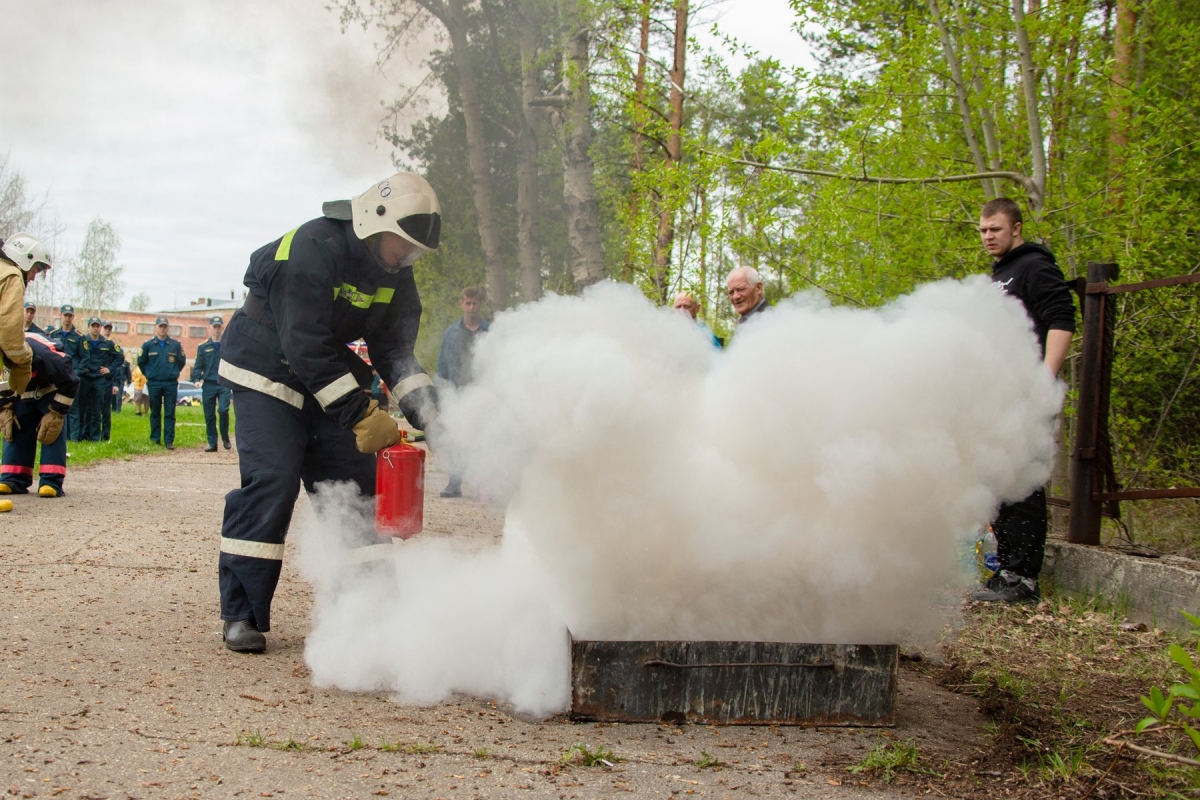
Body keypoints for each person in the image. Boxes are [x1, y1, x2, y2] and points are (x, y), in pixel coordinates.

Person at [215, 172, 441, 653]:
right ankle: (242, 613)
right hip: (265, 366)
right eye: (403, 245)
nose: (407, 257)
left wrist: (433, 416)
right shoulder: (311, 246)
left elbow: (395, 349)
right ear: (373, 221)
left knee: (355, 482)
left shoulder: (395, 273)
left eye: (414, 251)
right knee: (273, 479)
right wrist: (360, 412)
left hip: (321, 369)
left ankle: (368, 606)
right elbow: (302, 341)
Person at [971, 197, 1076, 605]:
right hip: (997, 393)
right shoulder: (1001, 273)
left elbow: (1062, 319)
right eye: (982, 231)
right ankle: (1006, 571)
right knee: (999, 477)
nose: (988, 237)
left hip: (1026, 389)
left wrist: (1043, 378)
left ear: (1016, 228)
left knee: (1023, 480)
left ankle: (1024, 580)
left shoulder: (1035, 266)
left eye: (995, 229)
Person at [0, 332, 78, 498]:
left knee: (51, 430)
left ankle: (51, 481)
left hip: (51, 389)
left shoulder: (50, 358)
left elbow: (71, 382)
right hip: (20, 390)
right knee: (15, 427)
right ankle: (13, 478)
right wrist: (4, 407)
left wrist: (56, 411)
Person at [435, 286, 488, 498]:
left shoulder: (490, 332)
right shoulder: (450, 333)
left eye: (475, 303)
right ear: (462, 303)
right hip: (455, 394)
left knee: (483, 440)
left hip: (482, 395)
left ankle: (483, 485)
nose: (472, 307)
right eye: (468, 303)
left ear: (481, 304)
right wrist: (440, 396)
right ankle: (454, 482)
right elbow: (441, 368)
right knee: (455, 438)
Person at [1, 233, 52, 405]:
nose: (33, 277)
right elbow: (10, 335)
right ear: (25, 260)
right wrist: (25, 360)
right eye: (35, 270)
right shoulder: (12, 277)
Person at [136, 316, 186, 450]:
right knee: (155, 411)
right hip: (154, 383)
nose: (162, 329)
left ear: (168, 328)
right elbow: (141, 362)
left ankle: (169, 440)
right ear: (155, 327)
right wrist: (150, 374)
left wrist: (173, 371)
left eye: (165, 326)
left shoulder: (175, 345)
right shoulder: (148, 345)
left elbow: (181, 362)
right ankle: (155, 438)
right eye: (160, 326)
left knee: (170, 412)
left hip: (170, 383)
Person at [191, 315, 233, 452]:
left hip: (223, 383)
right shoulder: (203, 347)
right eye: (214, 326)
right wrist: (196, 379)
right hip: (208, 384)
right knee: (209, 415)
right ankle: (212, 442)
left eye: (218, 326)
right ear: (210, 328)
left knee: (223, 410)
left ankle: (225, 436)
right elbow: (198, 366)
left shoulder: (227, 345)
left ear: (222, 327)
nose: (216, 329)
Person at [77, 317, 119, 441]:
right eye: (93, 325)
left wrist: (109, 369)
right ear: (89, 326)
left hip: (99, 379)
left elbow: (119, 357)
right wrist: (81, 367)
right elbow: (76, 355)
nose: (95, 328)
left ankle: (95, 437)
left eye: (97, 326)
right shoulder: (82, 340)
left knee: (97, 409)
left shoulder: (107, 343)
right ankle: (80, 435)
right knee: (82, 408)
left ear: (100, 327)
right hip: (85, 378)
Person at [48, 304, 84, 441]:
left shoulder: (79, 337)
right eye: (65, 315)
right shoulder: (53, 335)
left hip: (72, 377)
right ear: (61, 315)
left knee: (73, 408)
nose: (67, 318)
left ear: (73, 317)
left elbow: (84, 357)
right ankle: (60, 437)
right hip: (57, 377)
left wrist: (77, 372)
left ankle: (73, 439)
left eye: (70, 316)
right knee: (58, 408)